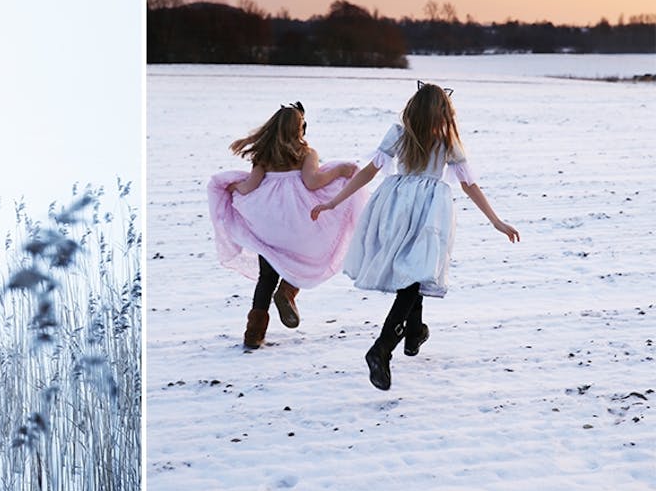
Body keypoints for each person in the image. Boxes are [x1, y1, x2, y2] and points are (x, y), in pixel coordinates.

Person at [310, 82, 519, 390]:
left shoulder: (399, 134)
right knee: (414, 273)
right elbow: (468, 185)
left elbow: (368, 172)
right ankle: (382, 348)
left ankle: (414, 332)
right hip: (429, 210)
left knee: (413, 271)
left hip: (394, 204)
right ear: (443, 112)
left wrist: (334, 201)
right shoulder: (447, 142)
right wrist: (496, 220)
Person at [207, 102, 366, 348]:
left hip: (268, 222)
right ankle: (288, 292)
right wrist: (340, 171)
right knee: (307, 253)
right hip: (297, 219)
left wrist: (234, 187)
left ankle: (254, 333)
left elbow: (250, 186)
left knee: (266, 277)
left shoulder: (264, 156)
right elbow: (313, 182)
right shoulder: (306, 153)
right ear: (298, 129)